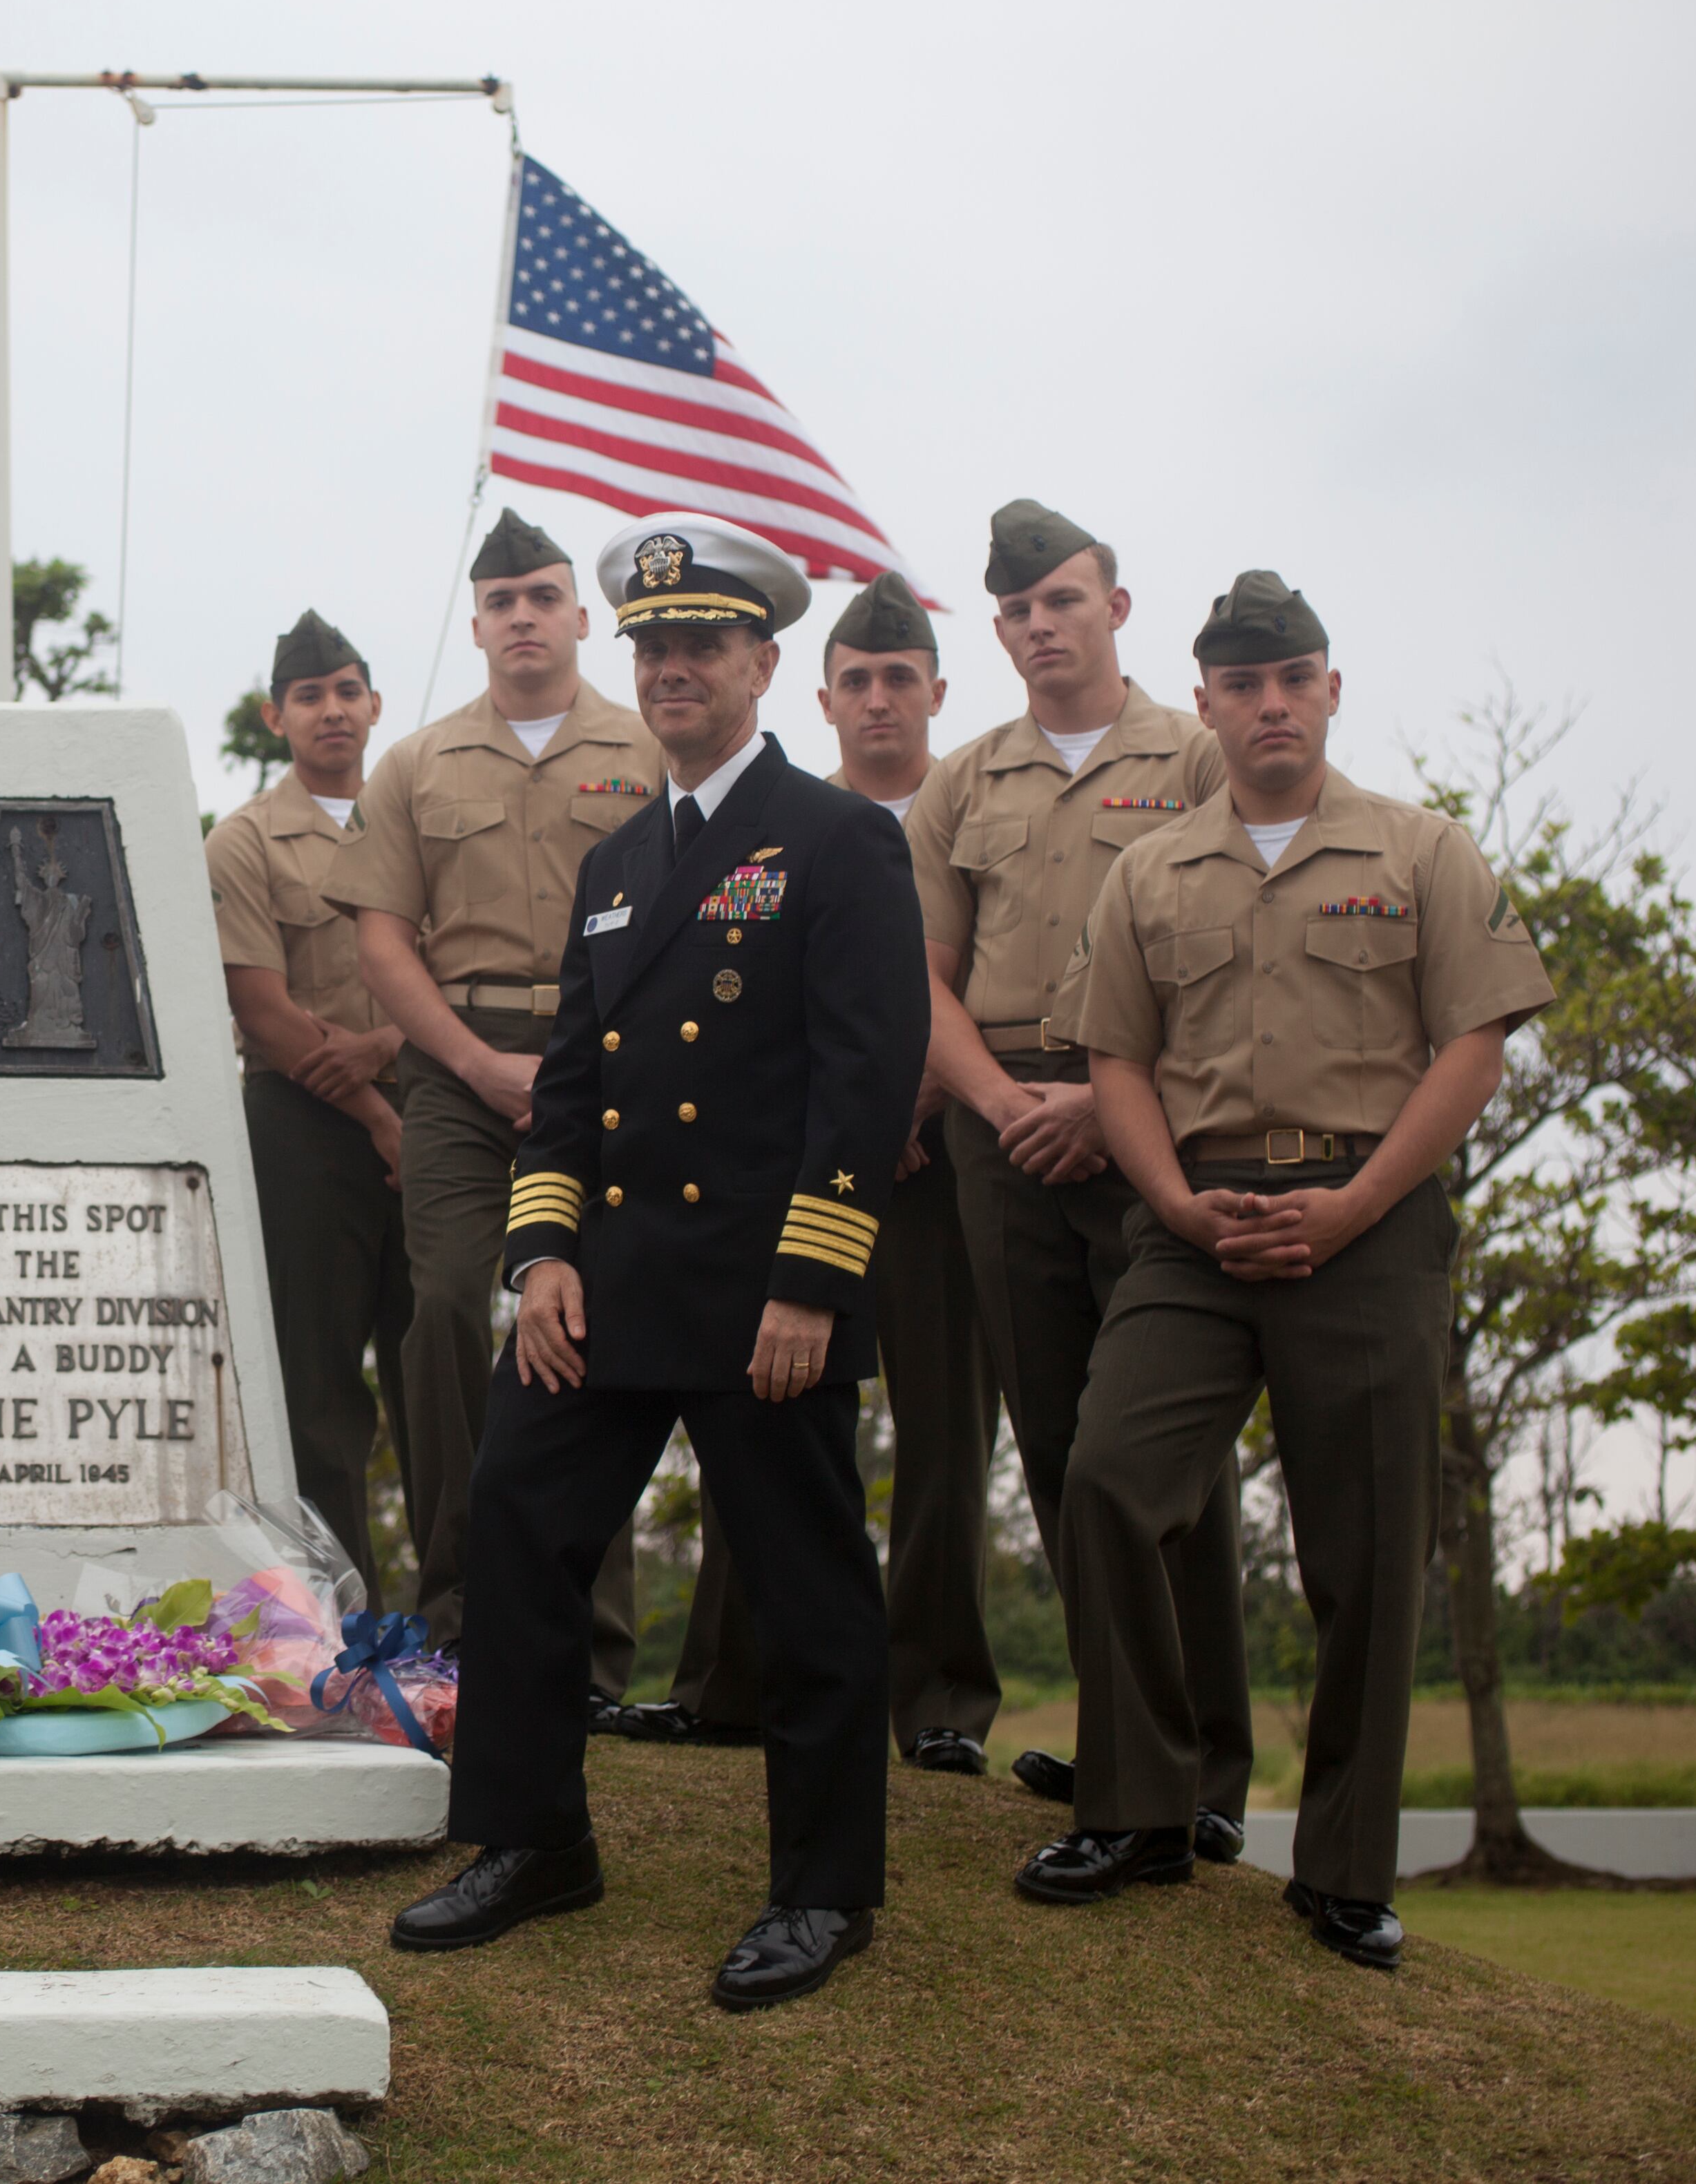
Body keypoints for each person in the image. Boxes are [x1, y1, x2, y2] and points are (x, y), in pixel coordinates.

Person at [390, 513, 926, 2015]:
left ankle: (823, 1892)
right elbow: (570, 1080)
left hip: (764, 1294)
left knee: (803, 1584)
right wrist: (541, 1249)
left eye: (704, 642)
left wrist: (812, 1281)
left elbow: (867, 1076)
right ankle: (531, 1835)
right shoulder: (622, 859)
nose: (675, 665)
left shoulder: (839, 838)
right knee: (513, 1511)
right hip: (612, 1284)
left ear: (764, 662)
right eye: (655, 645)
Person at [1016, 573, 1549, 1967]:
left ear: (1327, 689)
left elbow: (1474, 1042)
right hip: (1195, 1228)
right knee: (1106, 1480)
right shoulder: (1151, 871)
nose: (1268, 704)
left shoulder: (1421, 849)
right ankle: (1139, 1808)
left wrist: (1358, 1201)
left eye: (1292, 678)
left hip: (1367, 1224)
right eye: (1241, 684)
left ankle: (1345, 1868)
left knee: (1364, 1547)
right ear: (1203, 702)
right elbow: (1115, 1062)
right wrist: (1182, 1209)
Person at [900, 500, 1254, 1842]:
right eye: (1019, 609)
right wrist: (992, 1099)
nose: (1042, 624)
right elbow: (922, 977)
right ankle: (1128, 1751)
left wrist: (1109, 1109)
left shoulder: (1196, 758)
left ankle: (1207, 1770)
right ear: (996, 628)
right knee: (1054, 1445)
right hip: (1003, 1134)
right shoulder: (965, 781)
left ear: (1115, 605)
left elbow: (1236, 967)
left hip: (1149, 1126)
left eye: (1064, 598)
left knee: (1170, 1450)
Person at [656, 571, 1004, 1771]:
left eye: (898, 678)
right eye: (854, 680)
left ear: (936, 693)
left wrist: (910, 1098)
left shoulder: (967, 814)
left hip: (944, 1154)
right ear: (819, 692)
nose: (876, 700)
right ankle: (726, 1683)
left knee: (947, 1432)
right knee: (761, 1410)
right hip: (802, 1168)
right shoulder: (772, 816)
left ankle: (943, 1699)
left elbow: (960, 987)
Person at [322, 509, 651, 1718]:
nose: (523, 615)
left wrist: (576, 1062)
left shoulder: (650, 750)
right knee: (452, 1306)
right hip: (458, 1066)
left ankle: (596, 1643)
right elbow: (379, 941)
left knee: (608, 1325)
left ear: (579, 615)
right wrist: (468, 1062)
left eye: (544, 595)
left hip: (613, 1059)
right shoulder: (416, 764)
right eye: (502, 599)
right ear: (477, 625)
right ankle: (460, 1610)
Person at [206, 611, 411, 1592]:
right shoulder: (243, 840)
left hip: (436, 1117)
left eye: (345, 691)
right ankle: (341, 1618)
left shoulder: (420, 814)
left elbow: (459, 966)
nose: (331, 711)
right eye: (308, 696)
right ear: (274, 716)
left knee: (440, 1377)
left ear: (375, 704)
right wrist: (377, 1110)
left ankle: (466, 1620)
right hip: (302, 1130)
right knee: (316, 1389)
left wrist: (390, 1042)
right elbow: (263, 1007)